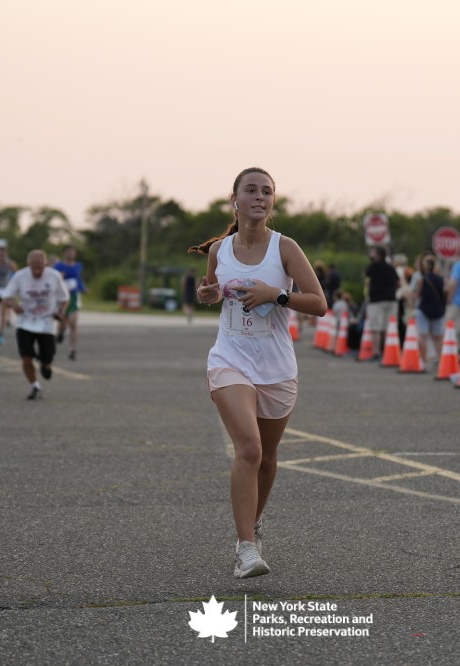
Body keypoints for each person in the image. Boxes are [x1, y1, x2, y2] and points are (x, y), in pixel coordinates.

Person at [189, 167, 325, 579]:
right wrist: (208, 294)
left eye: (267, 191)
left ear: (273, 202)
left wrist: (276, 294)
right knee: (248, 448)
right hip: (229, 359)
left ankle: (255, 520)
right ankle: (245, 548)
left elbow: (318, 303)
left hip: (276, 366)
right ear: (235, 200)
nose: (259, 197)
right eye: (251, 190)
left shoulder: (285, 248)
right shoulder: (219, 250)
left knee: (266, 458)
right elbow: (214, 290)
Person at [1, 250, 69, 400]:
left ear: (46, 264)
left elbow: (64, 298)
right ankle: (35, 386)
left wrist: (60, 311)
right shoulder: (20, 276)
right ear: (28, 264)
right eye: (34, 266)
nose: (37, 269)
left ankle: (45, 364)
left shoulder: (54, 276)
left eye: (40, 265)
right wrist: (14, 305)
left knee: (48, 357)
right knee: (26, 357)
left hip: (46, 322)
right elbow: (6, 297)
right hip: (25, 322)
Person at [410, 253, 447, 369]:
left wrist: (412, 306)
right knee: (438, 337)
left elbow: (417, 294)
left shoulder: (422, 279)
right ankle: (441, 361)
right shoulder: (440, 279)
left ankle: (423, 361)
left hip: (424, 309)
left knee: (423, 336)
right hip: (437, 310)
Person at [364, 246, 400, 357]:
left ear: (378, 255)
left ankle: (376, 352)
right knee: (388, 327)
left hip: (376, 300)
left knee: (376, 327)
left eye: (373, 252)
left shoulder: (373, 266)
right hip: (391, 300)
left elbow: (366, 276)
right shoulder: (390, 267)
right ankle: (388, 352)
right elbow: (398, 282)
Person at [53, 245, 86, 360]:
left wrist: (83, 288)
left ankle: (73, 349)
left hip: (74, 296)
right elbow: (54, 280)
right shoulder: (58, 266)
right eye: (68, 252)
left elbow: (79, 279)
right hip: (62, 297)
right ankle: (60, 332)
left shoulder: (78, 265)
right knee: (63, 322)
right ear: (64, 253)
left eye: (72, 252)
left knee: (73, 323)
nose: (71, 254)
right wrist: (60, 278)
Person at [0, 245, 18, 344]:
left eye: (3, 254)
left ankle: (0, 333)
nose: (1, 256)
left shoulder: (10, 264)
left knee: (3, 312)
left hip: (5, 289)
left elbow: (17, 274)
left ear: (6, 254)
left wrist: (13, 283)